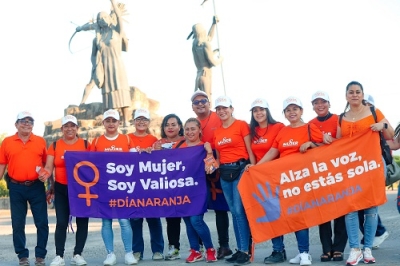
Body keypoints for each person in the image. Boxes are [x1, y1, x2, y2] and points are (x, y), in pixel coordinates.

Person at [255, 97, 325, 266]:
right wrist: (256, 167)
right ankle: (300, 253)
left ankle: (305, 253)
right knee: (288, 216)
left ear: (301, 111)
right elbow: (273, 151)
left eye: (295, 109)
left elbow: (324, 149)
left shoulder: (310, 128)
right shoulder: (283, 131)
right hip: (285, 180)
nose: (292, 112)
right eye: (288, 110)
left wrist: (311, 144)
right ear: (284, 114)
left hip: (302, 179)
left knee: (299, 215)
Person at [336, 81, 394, 265]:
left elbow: (391, 134)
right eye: (351, 92)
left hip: (373, 166)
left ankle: (367, 248)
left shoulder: (374, 113)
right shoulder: (341, 118)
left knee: (371, 207)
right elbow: (338, 145)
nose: (354, 95)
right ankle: (355, 249)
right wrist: (327, 139)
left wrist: (382, 126)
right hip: (350, 169)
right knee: (350, 208)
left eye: (358, 92)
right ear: (346, 96)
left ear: (362, 95)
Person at [0, 111, 49, 266]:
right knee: (17, 223)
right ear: (16, 124)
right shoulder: (7, 142)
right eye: (23, 121)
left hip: (36, 187)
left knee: (41, 222)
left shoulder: (40, 141)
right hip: (16, 187)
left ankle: (40, 256)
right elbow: (2, 164)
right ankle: (22, 256)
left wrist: (47, 177)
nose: (27, 123)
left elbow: (47, 164)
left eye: (30, 121)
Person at [89, 109, 137, 266]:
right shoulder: (96, 142)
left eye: (114, 121)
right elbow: (88, 163)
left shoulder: (127, 139)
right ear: (103, 123)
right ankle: (110, 254)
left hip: (122, 187)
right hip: (103, 188)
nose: (111, 124)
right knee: (106, 222)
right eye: (108, 121)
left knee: (124, 221)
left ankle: (129, 253)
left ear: (119, 123)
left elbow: (135, 162)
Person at [190, 89, 233, 259]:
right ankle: (199, 246)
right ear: (192, 107)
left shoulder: (219, 116)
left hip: (218, 164)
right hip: (198, 167)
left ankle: (224, 245)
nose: (200, 104)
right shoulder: (192, 122)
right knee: (197, 207)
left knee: (220, 208)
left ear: (209, 103)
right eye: (196, 102)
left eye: (203, 101)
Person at [213, 95, 255, 265]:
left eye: (225, 108)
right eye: (219, 109)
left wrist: (253, 165)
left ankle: (245, 250)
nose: (222, 111)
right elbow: (218, 157)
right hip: (224, 173)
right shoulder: (217, 132)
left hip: (240, 170)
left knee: (239, 211)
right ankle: (240, 249)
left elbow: (249, 148)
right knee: (234, 212)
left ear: (231, 109)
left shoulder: (241, 125)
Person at [76, 0, 131, 127]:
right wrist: (79, 28)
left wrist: (112, 2)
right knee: (108, 93)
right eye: (99, 19)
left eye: (104, 17)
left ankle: (126, 120)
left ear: (109, 18)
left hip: (117, 65)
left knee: (121, 89)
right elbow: (90, 28)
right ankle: (111, 121)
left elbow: (118, 15)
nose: (102, 20)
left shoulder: (117, 31)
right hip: (105, 67)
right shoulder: (98, 38)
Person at [45, 115, 90, 266]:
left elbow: (94, 164)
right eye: (66, 126)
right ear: (62, 129)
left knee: (82, 221)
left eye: (73, 126)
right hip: (61, 187)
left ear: (77, 128)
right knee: (62, 222)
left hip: (81, 188)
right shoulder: (55, 145)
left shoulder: (85, 144)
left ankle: (78, 254)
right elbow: (49, 167)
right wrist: (44, 174)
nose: (69, 128)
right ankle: (59, 256)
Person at [307, 91, 347, 262]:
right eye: (316, 103)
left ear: (329, 104)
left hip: (338, 171)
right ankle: (326, 248)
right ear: (312, 106)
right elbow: (310, 146)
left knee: (340, 210)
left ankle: (338, 248)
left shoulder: (339, 119)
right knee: (322, 212)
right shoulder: (309, 124)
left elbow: (344, 141)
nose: (320, 105)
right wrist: (313, 144)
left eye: (323, 102)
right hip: (319, 173)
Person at [245, 98, 285, 264]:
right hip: (260, 177)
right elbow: (252, 153)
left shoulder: (279, 127)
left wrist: (257, 167)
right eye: (255, 111)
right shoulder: (252, 131)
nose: (259, 113)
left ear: (268, 111)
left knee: (283, 213)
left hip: (276, 175)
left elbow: (276, 150)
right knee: (271, 214)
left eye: (262, 109)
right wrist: (253, 167)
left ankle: (298, 251)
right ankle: (278, 250)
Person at [173, 118, 218, 263]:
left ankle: (210, 249)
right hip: (182, 189)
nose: (190, 132)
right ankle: (195, 251)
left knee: (196, 220)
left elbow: (211, 170)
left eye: (193, 129)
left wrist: (209, 153)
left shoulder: (203, 147)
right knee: (187, 221)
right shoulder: (178, 146)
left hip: (199, 189)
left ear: (200, 130)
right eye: (187, 129)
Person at [128, 108, 164, 261]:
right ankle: (137, 251)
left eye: (144, 119)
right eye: (138, 119)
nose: (141, 122)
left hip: (150, 184)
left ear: (148, 122)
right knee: (135, 219)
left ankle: (158, 250)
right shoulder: (127, 138)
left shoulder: (154, 139)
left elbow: (161, 160)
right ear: (134, 121)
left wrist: (154, 152)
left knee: (153, 218)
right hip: (133, 185)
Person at [357, 93, 390, 249]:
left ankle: (378, 232)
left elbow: (390, 137)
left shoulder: (376, 117)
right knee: (359, 203)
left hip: (374, 164)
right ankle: (374, 233)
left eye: (367, 103)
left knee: (370, 202)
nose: (365, 105)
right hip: (358, 166)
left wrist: (382, 125)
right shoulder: (353, 119)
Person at [153, 114, 185, 260]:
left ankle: (198, 247)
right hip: (168, 187)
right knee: (172, 218)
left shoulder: (187, 141)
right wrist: (153, 151)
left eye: (173, 124)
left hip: (186, 185)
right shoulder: (158, 143)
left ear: (179, 127)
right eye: (167, 125)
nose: (170, 127)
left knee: (193, 218)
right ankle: (174, 248)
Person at [190, 16, 223, 102]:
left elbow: (208, 38)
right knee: (208, 100)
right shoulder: (205, 44)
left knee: (203, 100)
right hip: (206, 74)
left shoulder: (195, 44)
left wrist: (213, 24)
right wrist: (221, 59)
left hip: (199, 75)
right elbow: (213, 63)